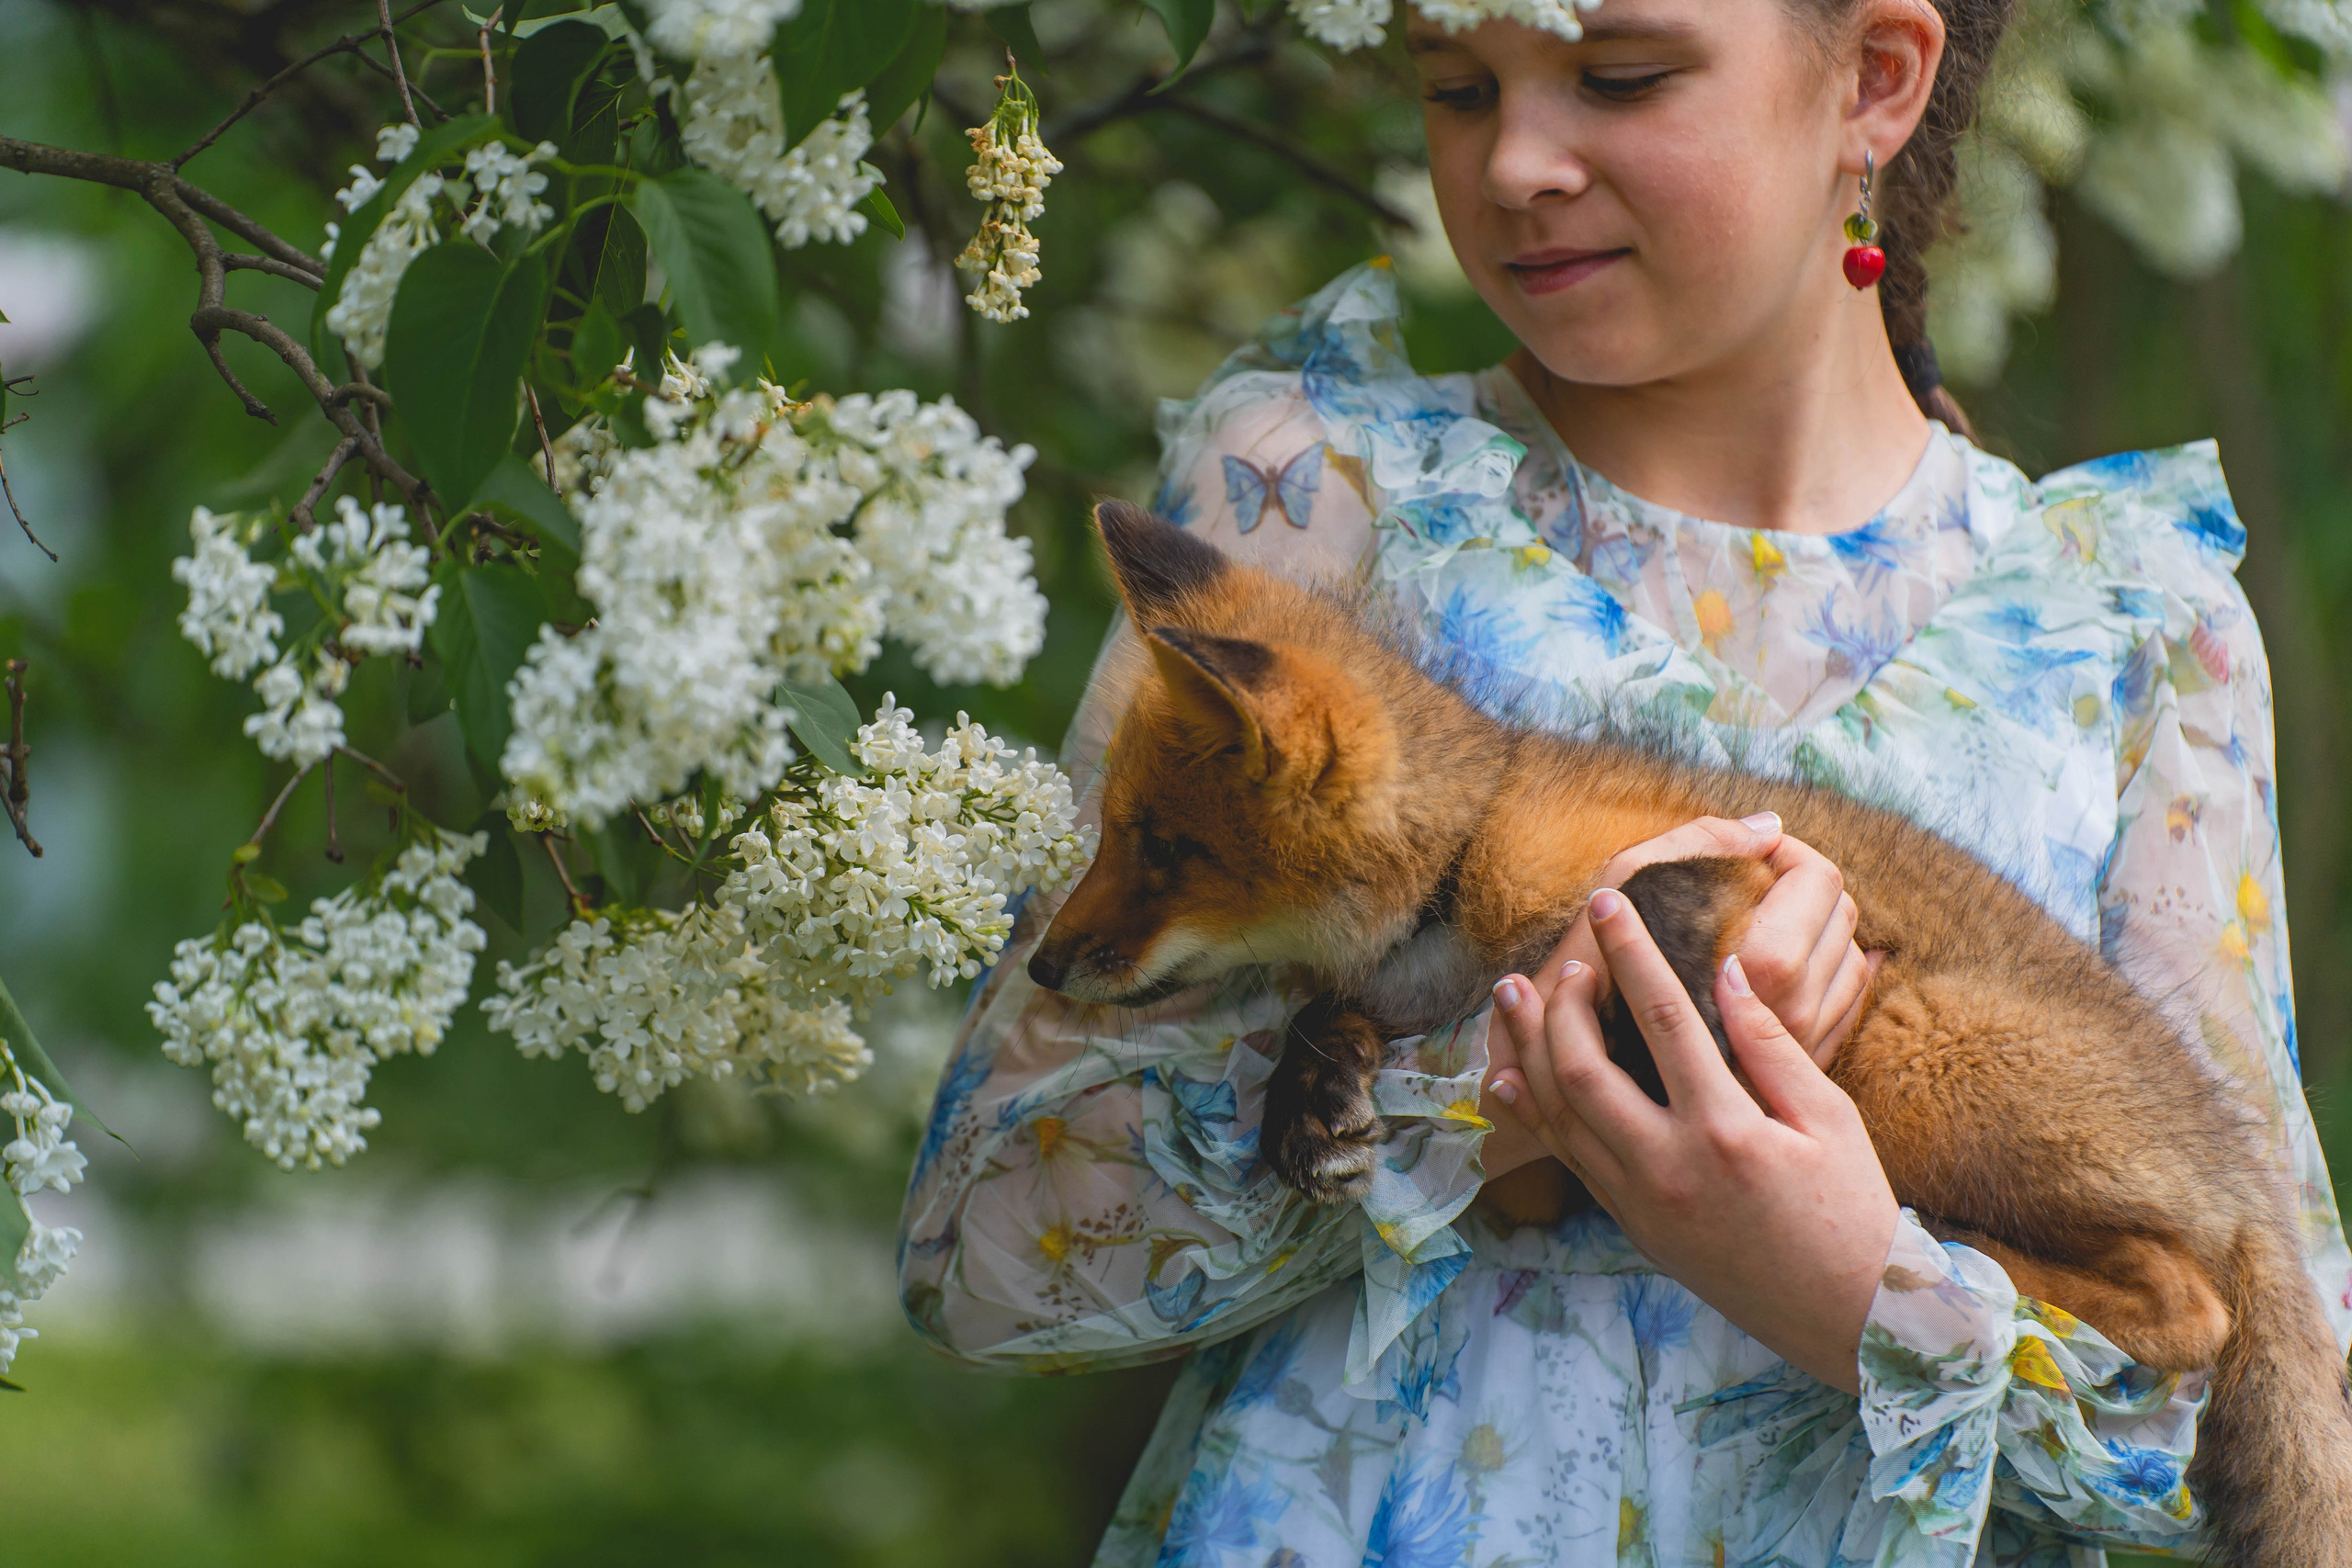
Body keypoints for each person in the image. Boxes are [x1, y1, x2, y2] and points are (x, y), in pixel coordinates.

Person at [896, 1, 2352, 1561]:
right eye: (1459, 88)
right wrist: (1492, 1107)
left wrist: (1872, 1295)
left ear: (1875, 79)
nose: (1518, 161)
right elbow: (983, 1258)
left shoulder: (2129, 616)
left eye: (1620, 77)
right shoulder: (1313, 501)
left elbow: (2258, 1374)